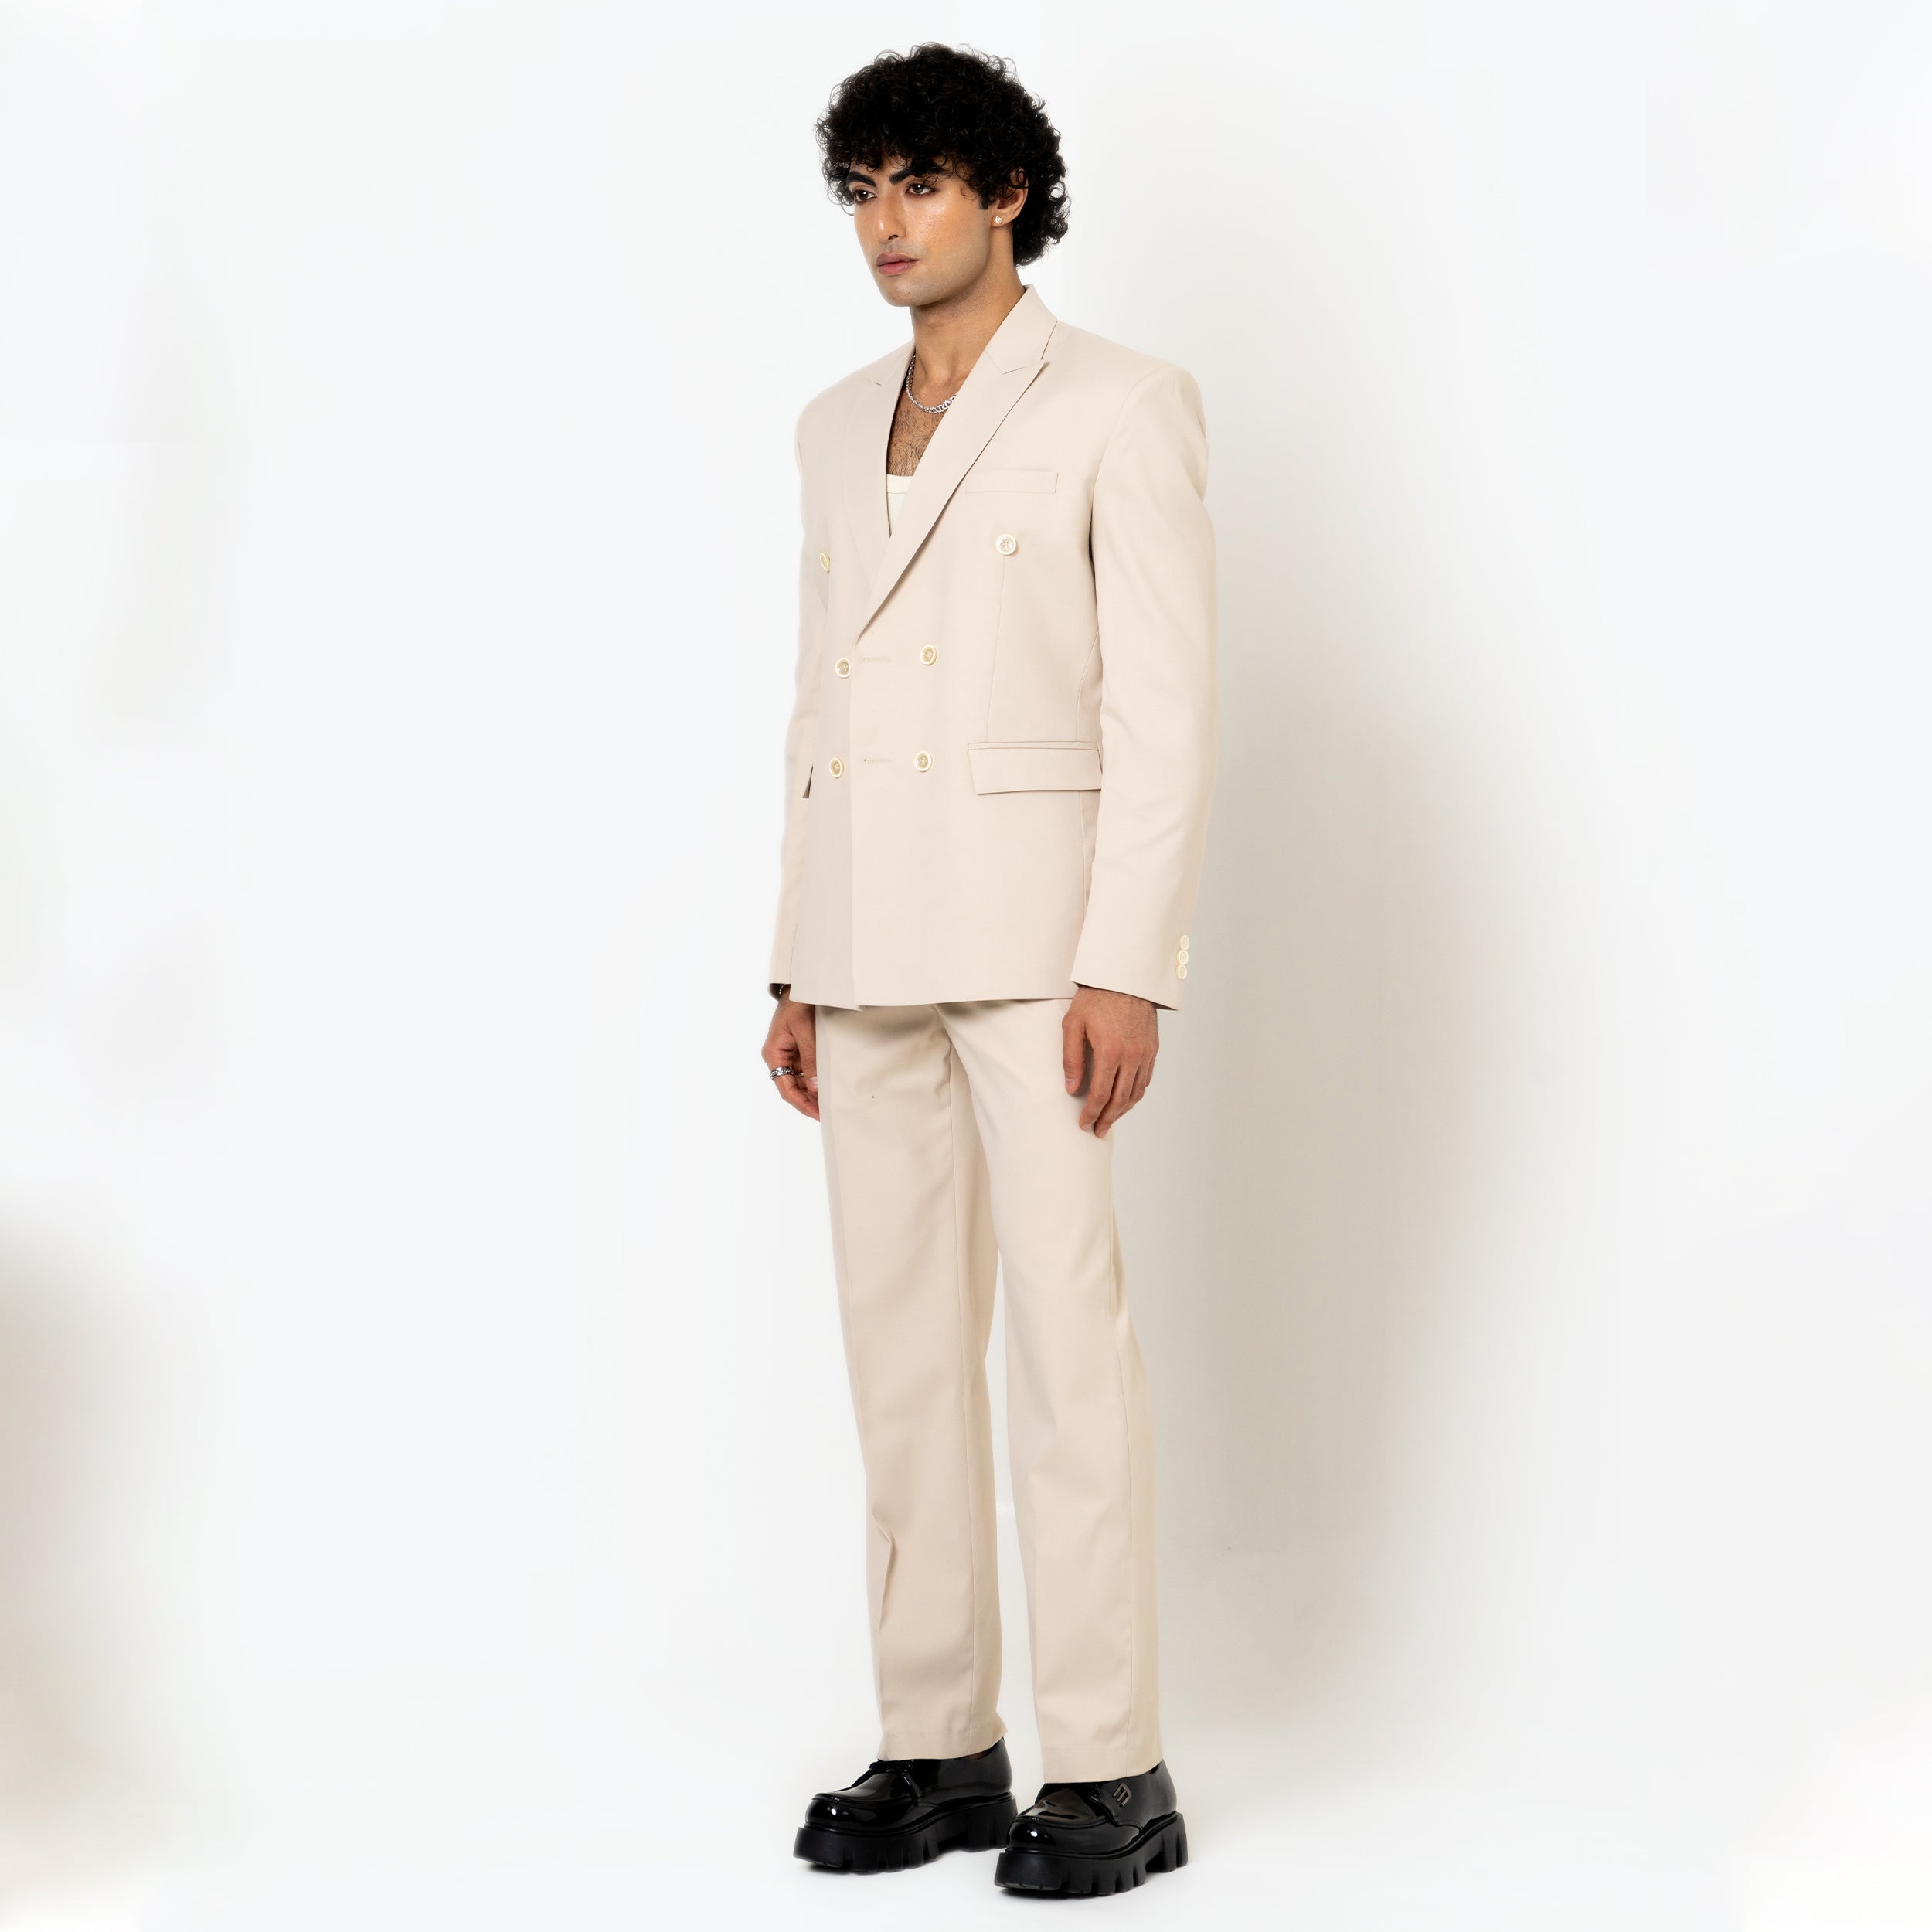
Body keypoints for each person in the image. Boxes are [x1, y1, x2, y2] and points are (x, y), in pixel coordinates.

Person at [761, 43, 1216, 1898]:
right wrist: (792, 956)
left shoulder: (1121, 402)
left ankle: (1110, 1762)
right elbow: (817, 701)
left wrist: (1126, 962)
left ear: (1006, 194)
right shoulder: (826, 425)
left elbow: (1163, 708)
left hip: (1039, 948)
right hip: (863, 943)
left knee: (1064, 1354)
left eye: (921, 185)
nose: (886, 224)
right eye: (862, 190)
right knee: (898, 1358)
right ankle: (938, 1739)